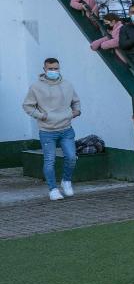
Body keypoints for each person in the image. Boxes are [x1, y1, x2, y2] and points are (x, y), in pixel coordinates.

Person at [22, 58, 81, 201]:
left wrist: (76, 111)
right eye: (50, 69)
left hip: (66, 128)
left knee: (72, 157)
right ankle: (53, 189)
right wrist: (42, 116)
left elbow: (76, 100)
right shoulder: (36, 87)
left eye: (56, 68)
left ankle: (66, 181)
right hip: (47, 131)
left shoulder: (67, 84)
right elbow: (27, 105)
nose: (53, 71)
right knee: (49, 161)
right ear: (44, 69)